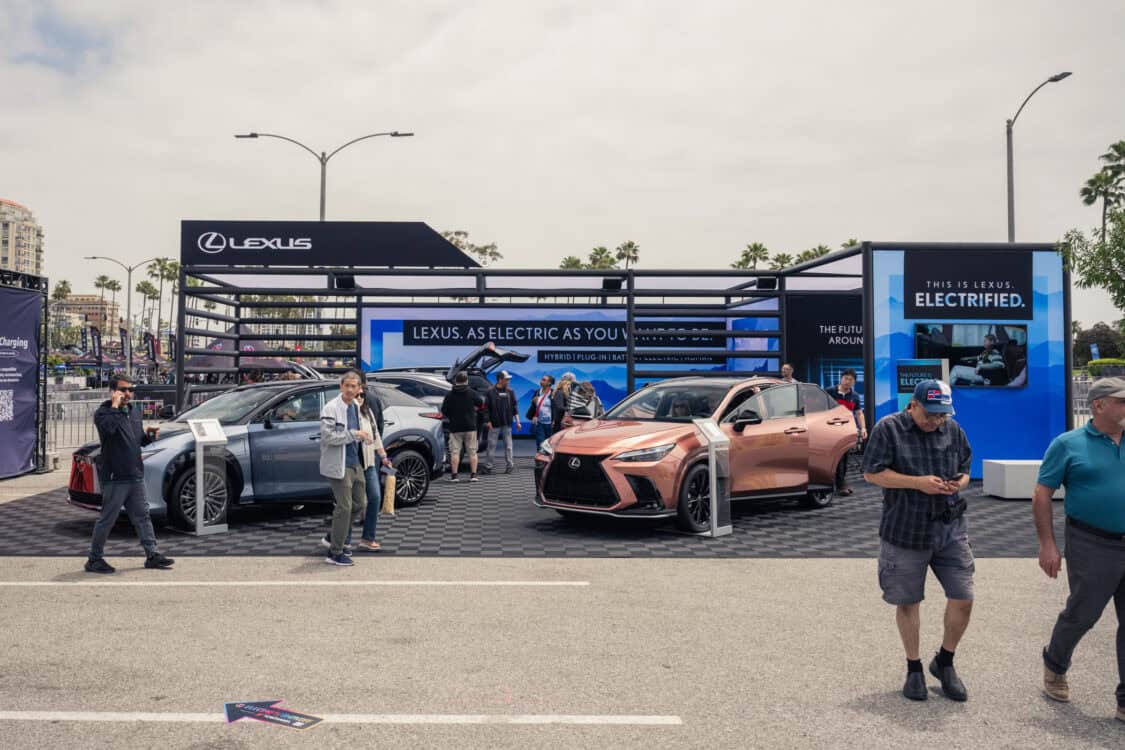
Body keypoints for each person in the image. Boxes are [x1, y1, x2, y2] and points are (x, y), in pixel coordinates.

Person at [863, 379, 973, 702]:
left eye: (942, 416)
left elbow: (966, 467)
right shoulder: (888, 429)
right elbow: (871, 473)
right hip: (905, 529)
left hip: (950, 528)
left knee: (963, 596)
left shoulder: (953, 430)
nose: (936, 422)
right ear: (912, 405)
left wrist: (958, 484)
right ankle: (914, 667)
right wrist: (916, 483)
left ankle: (945, 661)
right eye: (930, 415)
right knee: (908, 601)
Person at [1033, 377, 1125, 721]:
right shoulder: (1067, 444)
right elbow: (1042, 494)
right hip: (1092, 542)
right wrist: (1047, 544)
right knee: (1083, 614)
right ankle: (1055, 663)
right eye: (1122, 401)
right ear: (1099, 405)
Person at [85, 374, 174, 574]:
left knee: (143, 517)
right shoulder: (104, 413)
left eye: (130, 390)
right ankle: (94, 559)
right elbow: (108, 430)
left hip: (135, 474)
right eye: (123, 390)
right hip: (116, 477)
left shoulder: (133, 411)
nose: (127, 393)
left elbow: (136, 440)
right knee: (107, 519)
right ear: (113, 391)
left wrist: (148, 436)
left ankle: (152, 555)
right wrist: (115, 406)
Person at [319, 370, 374, 566]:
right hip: (338, 464)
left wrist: (364, 437)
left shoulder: (356, 407)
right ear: (341, 386)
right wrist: (354, 434)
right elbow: (328, 437)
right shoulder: (331, 408)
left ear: (360, 389)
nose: (350, 389)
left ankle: (333, 535)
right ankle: (335, 553)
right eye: (347, 385)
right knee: (345, 507)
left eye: (354, 386)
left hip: (355, 463)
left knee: (360, 504)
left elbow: (359, 432)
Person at [355, 389, 393, 552]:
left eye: (362, 395)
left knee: (375, 497)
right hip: (352, 463)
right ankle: (336, 538)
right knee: (353, 504)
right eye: (357, 395)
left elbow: (376, 434)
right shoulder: (347, 413)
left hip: (368, 461)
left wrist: (384, 456)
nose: (360, 398)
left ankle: (367, 538)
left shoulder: (368, 411)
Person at [826, 368, 868, 496]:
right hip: (829, 429)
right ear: (841, 378)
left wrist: (863, 428)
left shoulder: (854, 396)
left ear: (854, 382)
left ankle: (840, 484)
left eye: (851, 380)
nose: (847, 381)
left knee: (844, 457)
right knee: (833, 458)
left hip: (845, 430)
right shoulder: (830, 392)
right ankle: (833, 484)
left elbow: (859, 413)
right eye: (846, 378)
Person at [441, 371, 481, 482]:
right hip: (470, 426)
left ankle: (454, 476)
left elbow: (444, 410)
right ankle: (473, 475)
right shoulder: (472, 393)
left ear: (455, 381)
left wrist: (452, 416)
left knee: (455, 452)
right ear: (466, 380)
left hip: (455, 428)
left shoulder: (449, 394)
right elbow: (481, 403)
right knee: (472, 452)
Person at [483, 370, 521, 474]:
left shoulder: (510, 391)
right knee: (491, 445)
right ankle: (488, 467)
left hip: (507, 423)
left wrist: (518, 422)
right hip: (494, 424)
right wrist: (488, 421)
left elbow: (514, 408)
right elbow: (486, 408)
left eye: (508, 379)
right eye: (506, 379)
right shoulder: (490, 392)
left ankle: (510, 465)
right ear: (500, 379)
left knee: (508, 445)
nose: (508, 381)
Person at [528, 374, 555, 448]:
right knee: (540, 442)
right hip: (539, 422)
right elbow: (533, 405)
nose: (541, 381)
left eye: (544, 380)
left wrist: (554, 419)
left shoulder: (553, 393)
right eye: (541, 379)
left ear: (549, 383)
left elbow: (556, 407)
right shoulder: (537, 392)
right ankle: (540, 458)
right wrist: (533, 401)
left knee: (550, 443)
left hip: (550, 423)